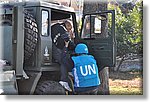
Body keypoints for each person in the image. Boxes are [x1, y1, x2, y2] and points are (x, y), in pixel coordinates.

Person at [51, 20, 75, 92]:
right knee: (64, 61)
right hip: (55, 49)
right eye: (70, 28)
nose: (70, 30)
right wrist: (75, 47)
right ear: (67, 25)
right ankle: (64, 80)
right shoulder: (63, 29)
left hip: (50, 47)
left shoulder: (54, 27)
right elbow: (67, 40)